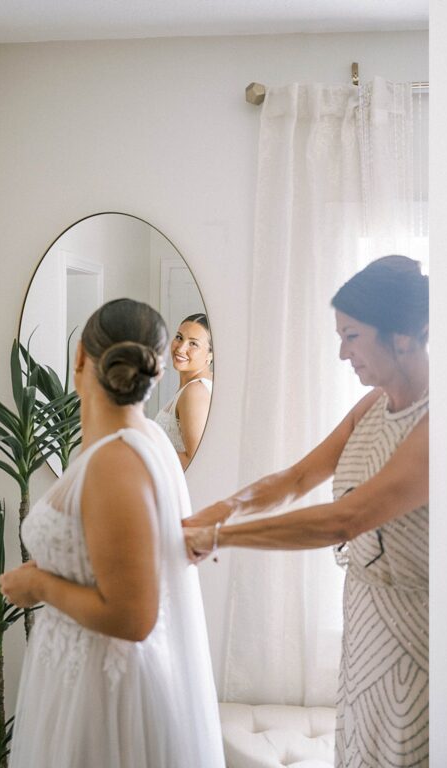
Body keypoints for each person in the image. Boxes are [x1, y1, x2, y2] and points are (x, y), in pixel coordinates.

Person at [183, 255, 429, 768]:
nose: (342, 353)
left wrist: (221, 536)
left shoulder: (437, 422)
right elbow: (296, 479)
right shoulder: (372, 406)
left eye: (353, 336)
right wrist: (218, 509)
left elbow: (347, 518)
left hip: (415, 631)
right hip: (364, 612)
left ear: (401, 336)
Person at [0, 298, 223, 768]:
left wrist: (37, 584)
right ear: (157, 373)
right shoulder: (136, 445)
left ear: (80, 356)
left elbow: (133, 616)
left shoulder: (118, 461)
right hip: (80, 675)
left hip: (102, 696)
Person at [155, 313, 213, 469]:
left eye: (193, 344)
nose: (181, 348)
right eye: (179, 337)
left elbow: (195, 460)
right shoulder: (193, 388)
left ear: (210, 355)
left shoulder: (195, 392)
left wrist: (147, 457)